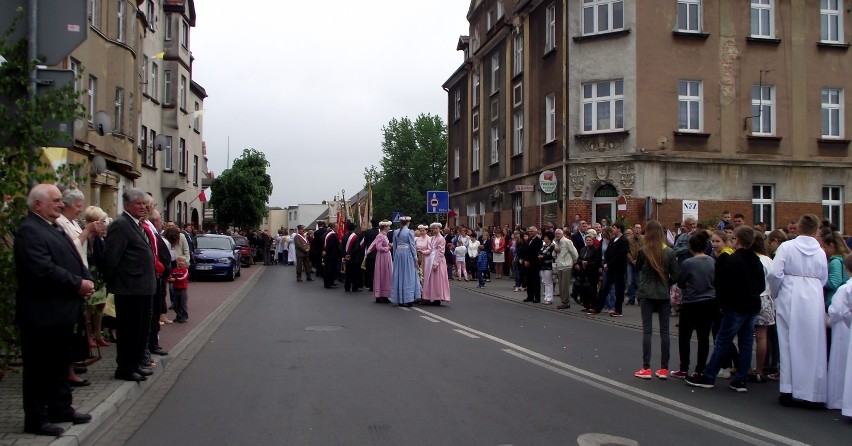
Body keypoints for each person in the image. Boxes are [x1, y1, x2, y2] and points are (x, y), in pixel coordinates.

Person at [15, 184, 95, 436]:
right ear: (38, 204)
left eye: (62, 200)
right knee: (39, 370)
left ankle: (61, 408)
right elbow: (43, 270)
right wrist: (77, 284)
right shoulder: (30, 230)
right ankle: (37, 420)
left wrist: (85, 277)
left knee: (59, 365)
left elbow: (71, 256)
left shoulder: (53, 227)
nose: (62, 204)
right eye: (56, 200)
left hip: (60, 311)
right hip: (42, 314)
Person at [686, 226, 765, 392]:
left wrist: (722, 304)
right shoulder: (756, 260)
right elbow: (761, 285)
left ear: (737, 240)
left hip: (736, 306)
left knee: (723, 340)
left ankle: (708, 376)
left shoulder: (733, 260)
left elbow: (723, 285)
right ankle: (741, 379)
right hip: (752, 305)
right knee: (746, 342)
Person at [768, 214, 829, 408]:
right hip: (813, 296)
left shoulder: (787, 247)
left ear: (799, 228)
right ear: (816, 230)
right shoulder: (819, 251)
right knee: (813, 343)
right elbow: (823, 277)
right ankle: (812, 391)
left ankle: (788, 389)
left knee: (787, 341)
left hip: (790, 293)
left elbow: (774, 273)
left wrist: (777, 293)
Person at [103, 188, 158, 382]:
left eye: (144, 204)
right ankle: (125, 368)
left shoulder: (136, 224)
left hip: (142, 288)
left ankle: (134, 364)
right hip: (129, 288)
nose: (143, 207)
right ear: (127, 205)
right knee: (129, 332)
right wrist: (117, 282)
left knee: (141, 330)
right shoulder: (120, 224)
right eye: (138, 204)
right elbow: (111, 258)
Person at [634, 221, 679, 379]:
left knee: (647, 330)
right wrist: (666, 284)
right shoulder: (669, 252)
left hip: (646, 292)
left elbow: (637, 268)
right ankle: (664, 369)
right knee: (664, 331)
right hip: (663, 294)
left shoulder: (643, 251)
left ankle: (646, 368)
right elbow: (675, 276)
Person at [671, 230, 716, 379]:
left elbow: (681, 282)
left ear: (690, 247)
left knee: (685, 336)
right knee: (703, 337)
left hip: (691, 301)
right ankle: (700, 369)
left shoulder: (688, 262)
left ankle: (684, 368)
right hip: (709, 301)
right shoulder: (712, 261)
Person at [827, 254, 852, 414]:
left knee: (841, 365)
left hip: (844, 328)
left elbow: (835, 311)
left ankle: (840, 400)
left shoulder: (845, 288)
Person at [594, 221, 629, 317]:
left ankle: (618, 310)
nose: (613, 229)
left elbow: (620, 255)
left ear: (619, 229)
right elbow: (608, 253)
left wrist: (608, 264)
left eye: (614, 228)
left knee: (618, 289)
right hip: (610, 268)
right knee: (604, 288)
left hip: (619, 269)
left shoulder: (624, 241)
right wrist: (606, 263)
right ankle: (598, 308)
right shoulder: (613, 240)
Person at [390, 216, 420, 307]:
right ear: (408, 222)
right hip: (407, 255)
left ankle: (400, 298)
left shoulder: (396, 232)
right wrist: (415, 258)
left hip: (398, 254)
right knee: (408, 275)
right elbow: (412, 245)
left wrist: (394, 257)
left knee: (399, 275)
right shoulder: (409, 232)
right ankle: (408, 299)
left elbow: (394, 246)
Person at [422, 222, 451, 305]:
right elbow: (431, 249)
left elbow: (441, 252)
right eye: (434, 228)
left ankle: (437, 298)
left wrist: (436, 262)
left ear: (439, 229)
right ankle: (431, 296)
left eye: (436, 228)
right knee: (431, 279)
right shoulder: (433, 238)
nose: (435, 230)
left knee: (437, 279)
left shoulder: (441, 239)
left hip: (438, 261)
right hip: (431, 258)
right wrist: (423, 252)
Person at [554, 228, 578, 310]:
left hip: (567, 265)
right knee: (560, 285)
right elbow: (553, 254)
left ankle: (566, 302)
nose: (557, 235)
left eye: (558, 234)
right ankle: (563, 301)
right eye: (556, 234)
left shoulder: (567, 241)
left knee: (565, 285)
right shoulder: (556, 242)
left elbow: (574, 252)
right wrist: (555, 251)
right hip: (559, 265)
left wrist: (575, 262)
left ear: (562, 234)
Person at [371, 220, 393, 303]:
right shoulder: (380, 236)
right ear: (385, 227)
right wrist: (387, 248)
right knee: (382, 274)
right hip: (382, 257)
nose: (389, 228)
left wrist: (389, 246)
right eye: (388, 226)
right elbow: (378, 247)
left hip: (386, 256)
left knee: (386, 275)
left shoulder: (385, 235)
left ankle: (384, 295)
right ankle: (380, 295)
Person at [523, 226, 543, 303]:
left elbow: (536, 253)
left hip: (534, 263)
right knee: (529, 280)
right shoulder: (528, 240)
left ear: (536, 232)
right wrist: (525, 260)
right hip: (527, 263)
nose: (530, 233)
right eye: (529, 231)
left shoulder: (538, 241)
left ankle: (537, 297)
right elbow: (525, 251)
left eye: (532, 231)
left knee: (536, 281)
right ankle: (530, 296)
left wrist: (529, 260)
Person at [341, 222, 363, 292]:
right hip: (354, 258)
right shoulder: (356, 237)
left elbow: (341, 248)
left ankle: (347, 287)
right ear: (354, 228)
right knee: (355, 273)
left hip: (347, 258)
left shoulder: (344, 237)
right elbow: (356, 248)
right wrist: (350, 255)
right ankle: (354, 287)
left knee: (348, 273)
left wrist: (345, 255)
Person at [360, 219, 380, 291]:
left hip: (369, 254)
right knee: (377, 270)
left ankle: (370, 285)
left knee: (370, 270)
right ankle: (377, 285)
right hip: (378, 254)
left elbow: (363, 244)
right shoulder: (379, 232)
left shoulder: (367, 232)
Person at [168, 256, 190, 323]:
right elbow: (171, 276)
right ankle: (178, 316)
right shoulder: (174, 270)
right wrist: (169, 279)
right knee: (176, 304)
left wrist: (175, 279)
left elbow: (183, 278)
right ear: (177, 262)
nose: (181, 262)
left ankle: (184, 317)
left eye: (182, 261)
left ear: (185, 263)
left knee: (182, 304)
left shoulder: (185, 270)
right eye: (179, 261)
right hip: (175, 289)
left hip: (182, 290)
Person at [538, 232, 556, 303]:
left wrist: (543, 256)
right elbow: (539, 252)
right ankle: (546, 297)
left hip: (548, 265)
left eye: (546, 237)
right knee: (545, 282)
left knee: (549, 282)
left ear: (549, 238)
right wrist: (539, 256)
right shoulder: (544, 246)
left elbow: (551, 255)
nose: (544, 239)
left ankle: (549, 298)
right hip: (542, 265)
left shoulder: (552, 246)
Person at [322, 221, 340, 289]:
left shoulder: (331, 234)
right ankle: (328, 283)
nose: (337, 228)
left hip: (331, 255)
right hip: (331, 256)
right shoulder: (332, 235)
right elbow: (330, 246)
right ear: (333, 227)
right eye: (336, 227)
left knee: (332, 270)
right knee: (329, 269)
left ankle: (331, 282)